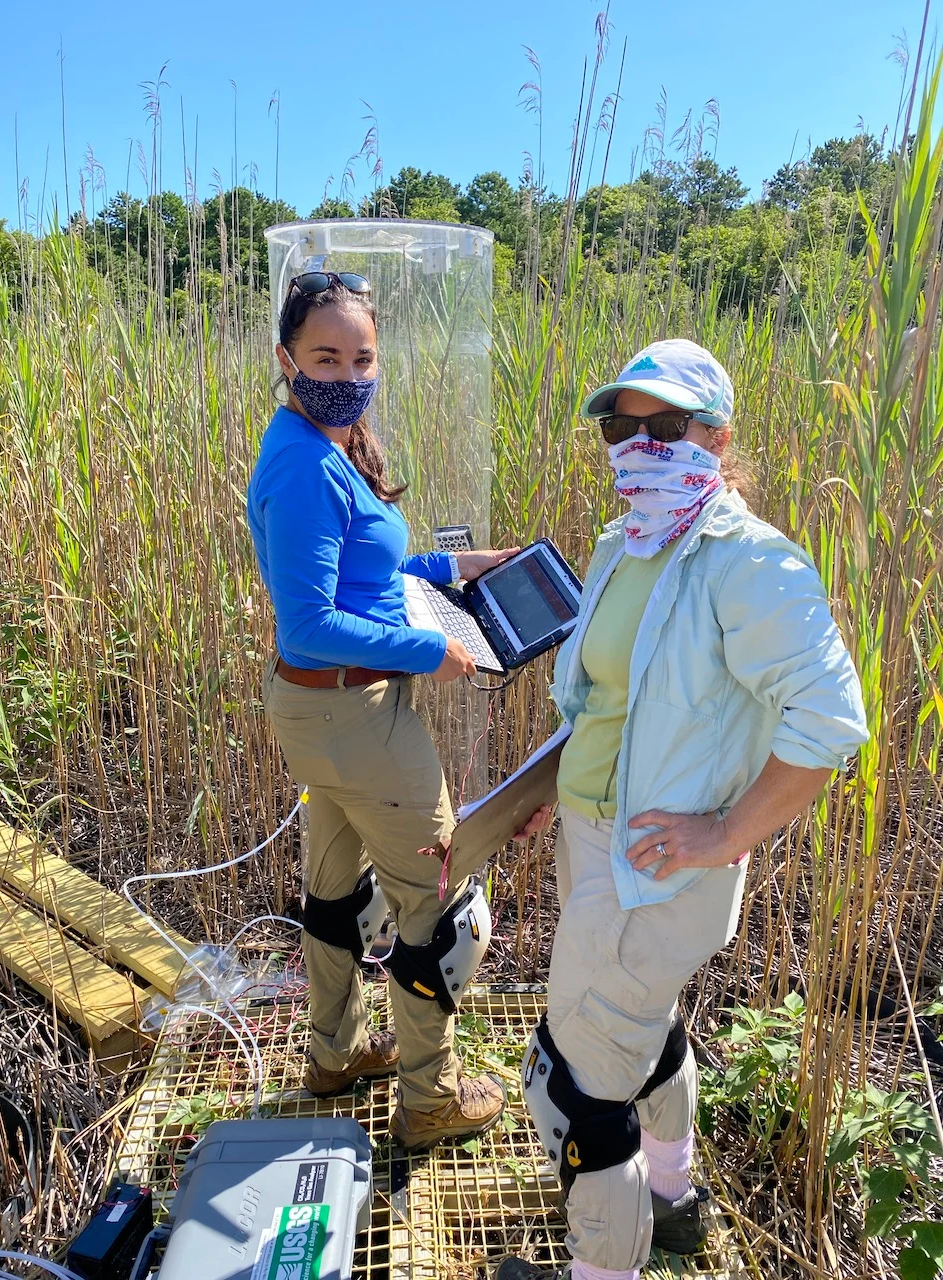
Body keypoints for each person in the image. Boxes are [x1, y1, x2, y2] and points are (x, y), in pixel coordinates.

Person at [497, 339, 868, 1280]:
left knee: (580, 1087)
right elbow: (600, 708)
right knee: (645, 1028)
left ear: (718, 436)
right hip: (598, 843)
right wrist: (548, 794)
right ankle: (671, 1199)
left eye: (665, 426)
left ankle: (601, 1267)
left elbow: (830, 723)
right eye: (621, 425)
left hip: (659, 870)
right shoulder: (623, 544)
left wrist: (725, 834)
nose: (638, 445)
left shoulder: (750, 563)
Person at [247, 270, 514, 1150]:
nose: (347, 372)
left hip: (327, 718)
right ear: (287, 359)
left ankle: (335, 1053)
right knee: (441, 908)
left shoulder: (324, 442)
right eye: (325, 355)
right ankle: (429, 1101)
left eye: (362, 357)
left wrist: (456, 571)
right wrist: (433, 652)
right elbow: (313, 623)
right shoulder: (301, 465)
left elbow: (367, 574)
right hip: (354, 713)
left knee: (336, 891)